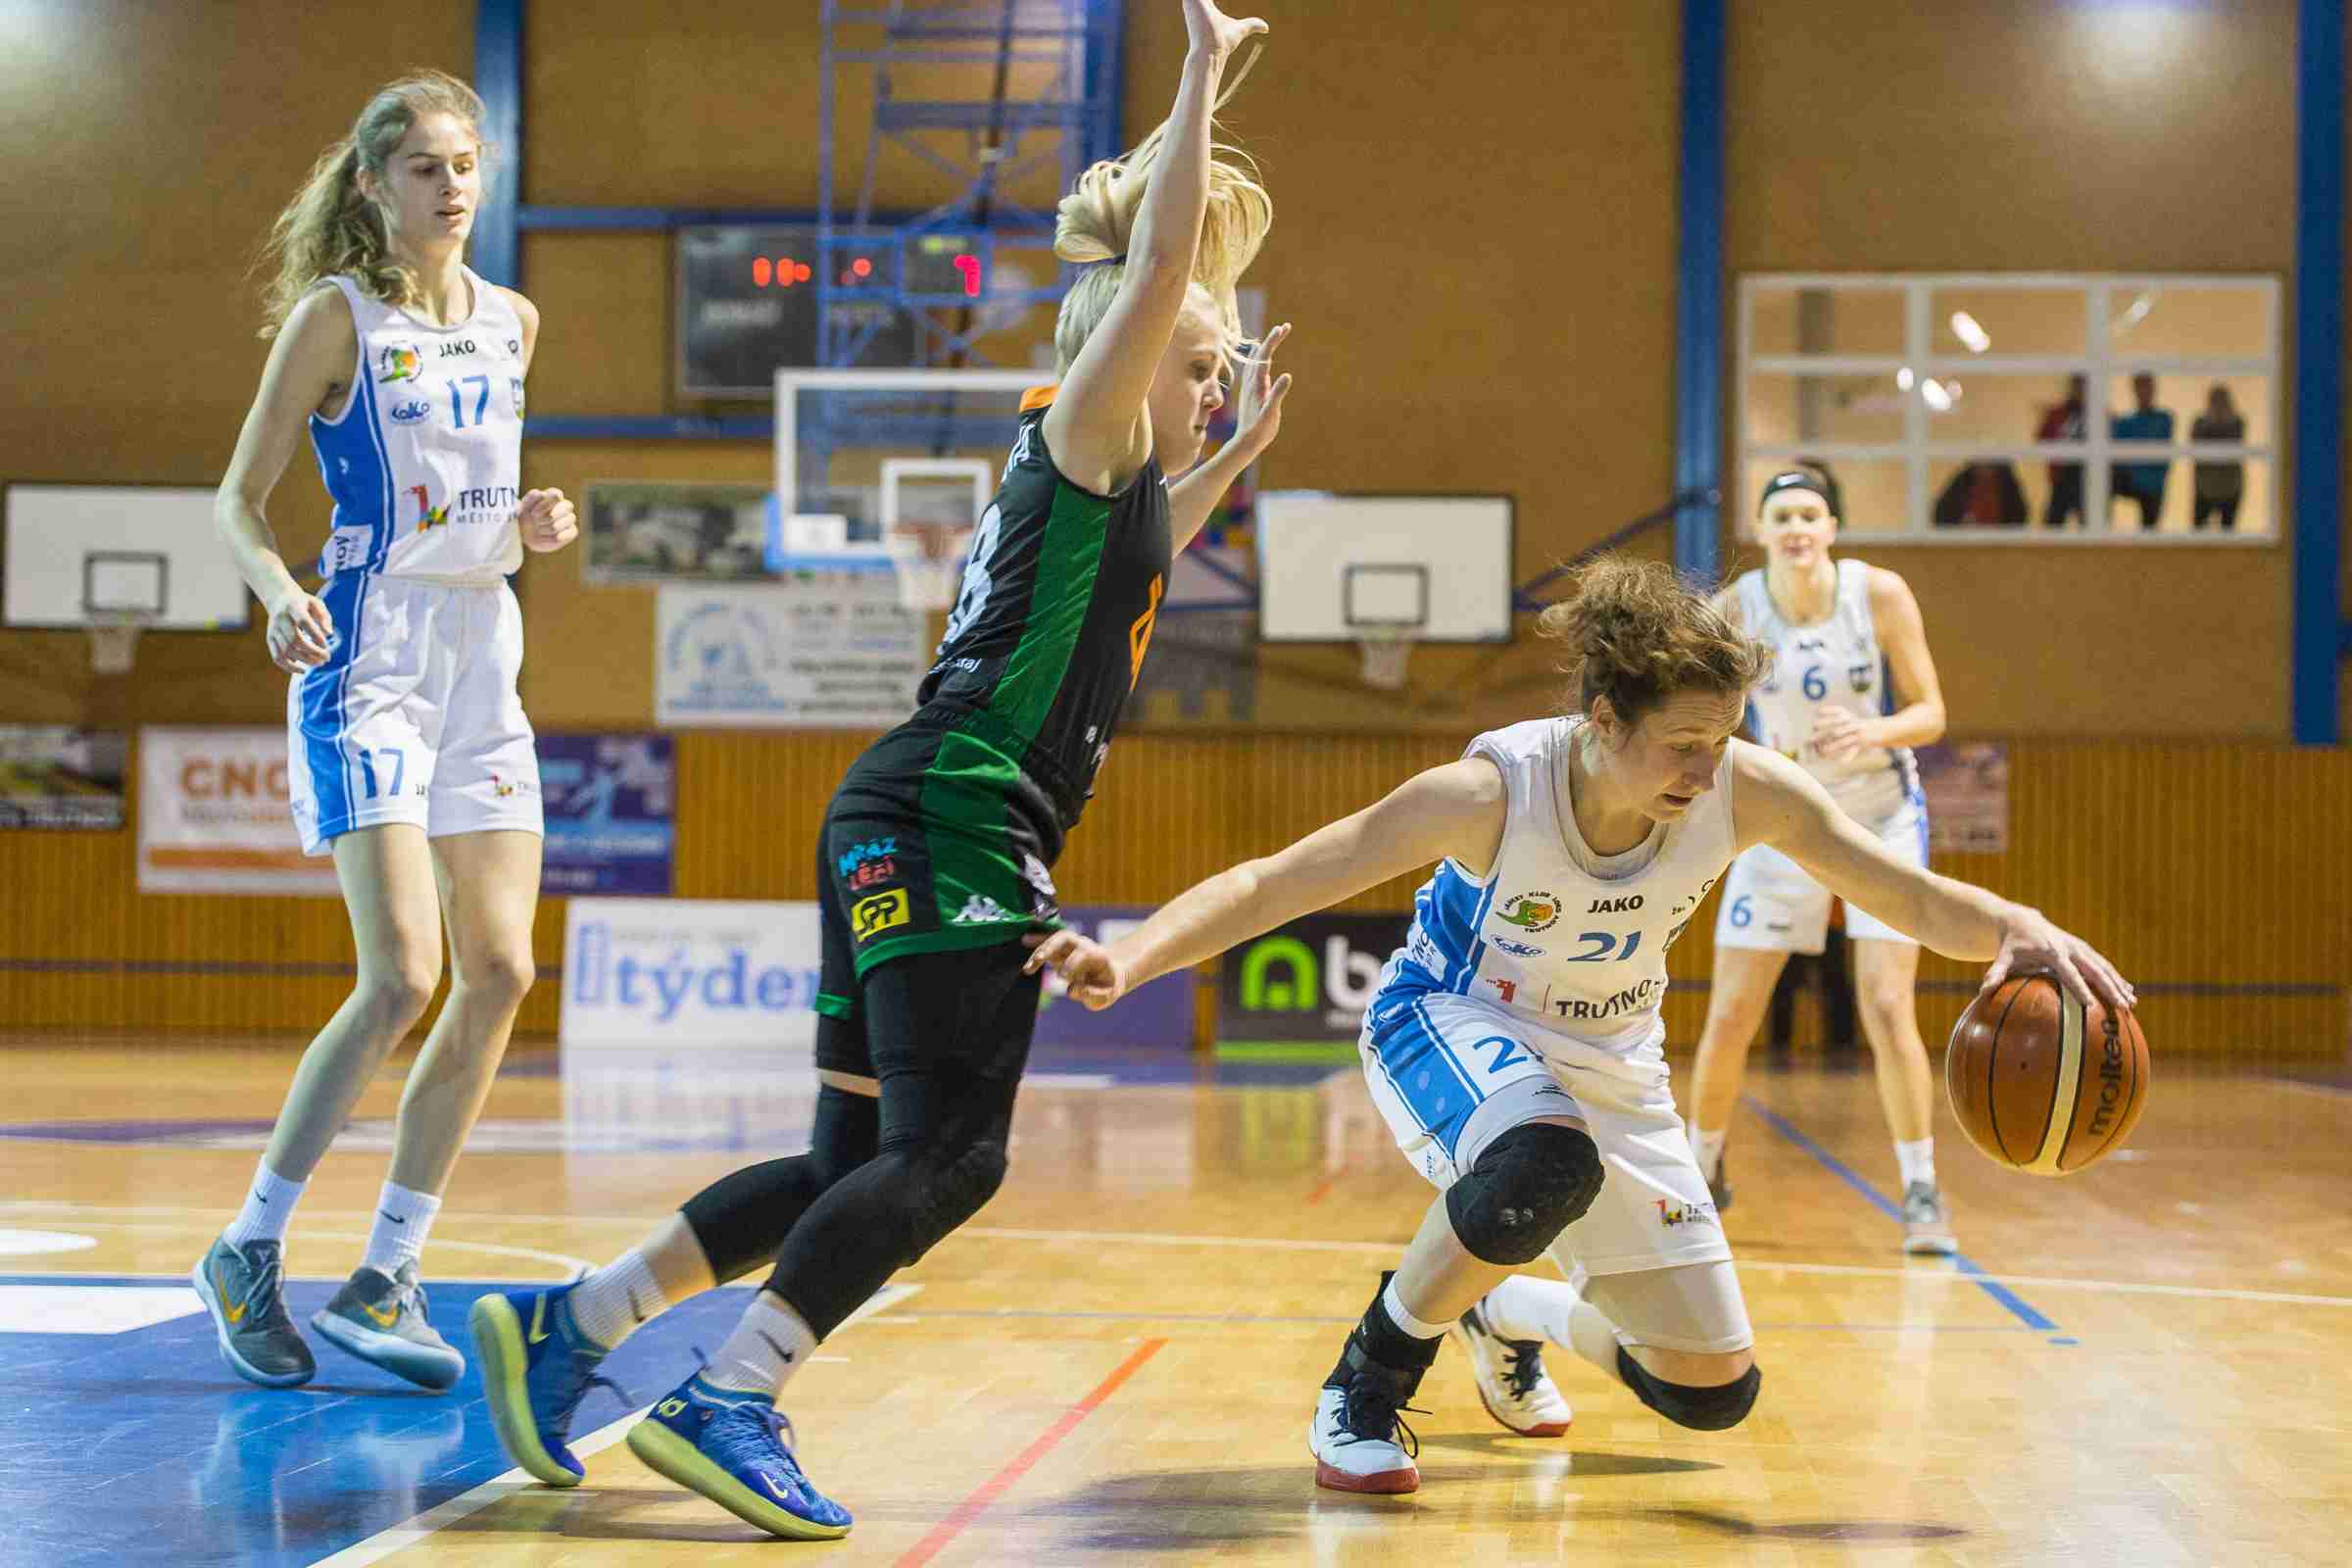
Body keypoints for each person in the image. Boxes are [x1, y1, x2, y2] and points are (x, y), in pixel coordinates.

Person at [466, 0, 1288, 1540]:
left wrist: (1239, 449)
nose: (1212, 385)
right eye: (1199, 365)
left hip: (900, 803)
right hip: (959, 810)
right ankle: (729, 1396)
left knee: (847, 1157)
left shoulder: (1106, 488)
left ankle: (573, 1324)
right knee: (953, 1155)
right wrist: (1193, 79)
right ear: (1122, 348)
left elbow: (1155, 514)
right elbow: (1164, 269)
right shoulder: (1088, 422)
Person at [1025, 556, 2132, 1494]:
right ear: (1604, 719)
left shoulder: (1747, 788)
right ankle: (1364, 1384)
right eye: (1683, 743)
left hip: (1616, 1059)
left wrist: (2017, 927)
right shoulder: (1493, 792)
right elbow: (1276, 881)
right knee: (1542, 1160)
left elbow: (1909, 897)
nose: (1705, 770)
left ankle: (1508, 1309)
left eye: (1722, 740)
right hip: (1448, 1019)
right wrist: (1132, 956)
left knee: (1711, 1389)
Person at [197, 72, 576, 1393]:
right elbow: (237, 500)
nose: (452, 186)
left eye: (465, 163)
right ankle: (248, 1246)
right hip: (369, 648)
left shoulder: (515, 321)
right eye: (424, 167)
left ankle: (387, 1274)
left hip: (484, 647)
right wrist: (277, 592)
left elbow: (482, 492)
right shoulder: (337, 319)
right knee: (404, 974)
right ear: (373, 185)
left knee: (503, 970)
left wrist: (532, 520)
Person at [1680, 469, 1955, 1252]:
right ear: (1762, 530)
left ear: (1831, 527)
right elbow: (1688, 700)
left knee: (1888, 1004)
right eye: (1782, 516)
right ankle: (1701, 1175)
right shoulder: (1736, 609)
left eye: (1810, 514)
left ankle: (1922, 1190)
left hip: (1878, 815)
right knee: (1732, 1011)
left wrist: (1873, 732)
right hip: (1784, 815)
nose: (1797, 528)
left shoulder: (1880, 594)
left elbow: (1932, 713)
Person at [2111, 370, 2175, 530]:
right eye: (2140, 387)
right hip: (2130, 480)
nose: (2144, 392)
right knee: (2100, 481)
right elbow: (2117, 454)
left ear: (2153, 389)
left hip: (2153, 484)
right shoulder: (2125, 422)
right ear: (2135, 390)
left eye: (2147, 387)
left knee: (2149, 532)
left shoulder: (2164, 419)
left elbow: (2159, 456)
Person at [2189, 383, 2246, 531]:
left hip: (2230, 489)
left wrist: (2223, 422)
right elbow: (2196, 446)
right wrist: (2211, 422)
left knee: (2228, 533)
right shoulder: (2199, 423)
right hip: (2205, 488)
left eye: (2222, 401)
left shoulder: (2237, 422)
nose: (2219, 405)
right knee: (2198, 533)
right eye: (2215, 401)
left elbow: (2235, 443)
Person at [2035, 374, 2087, 529]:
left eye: (2082, 386)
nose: (2079, 390)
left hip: (2085, 475)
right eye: (2077, 385)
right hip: (2062, 474)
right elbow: (2042, 439)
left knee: (2090, 523)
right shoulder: (2057, 413)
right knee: (2053, 524)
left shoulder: (2096, 414)